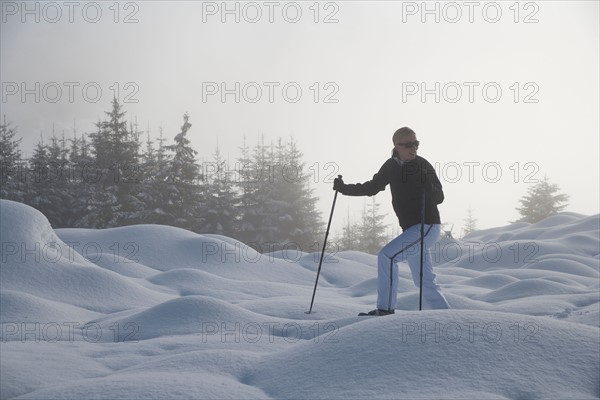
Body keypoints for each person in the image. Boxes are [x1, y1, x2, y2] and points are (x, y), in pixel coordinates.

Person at [333, 127, 450, 316]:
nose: (414, 148)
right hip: (411, 230)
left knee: (387, 256)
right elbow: (372, 187)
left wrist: (427, 186)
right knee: (424, 278)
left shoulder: (423, 165)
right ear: (397, 146)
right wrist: (344, 189)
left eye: (416, 143)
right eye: (409, 145)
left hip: (427, 226)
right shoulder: (391, 166)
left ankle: (385, 309)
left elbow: (439, 197)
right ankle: (446, 316)